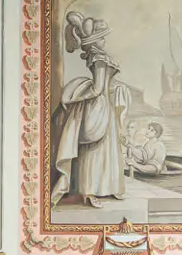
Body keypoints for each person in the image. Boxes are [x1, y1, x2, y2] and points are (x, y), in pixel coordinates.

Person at [50, 11, 130, 207]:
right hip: (100, 105)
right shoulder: (99, 57)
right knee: (96, 149)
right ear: (95, 41)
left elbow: (98, 88)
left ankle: (99, 189)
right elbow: (97, 89)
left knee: (99, 148)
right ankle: (90, 191)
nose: (105, 41)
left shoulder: (97, 56)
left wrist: (76, 97)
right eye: (102, 38)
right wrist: (75, 97)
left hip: (101, 104)